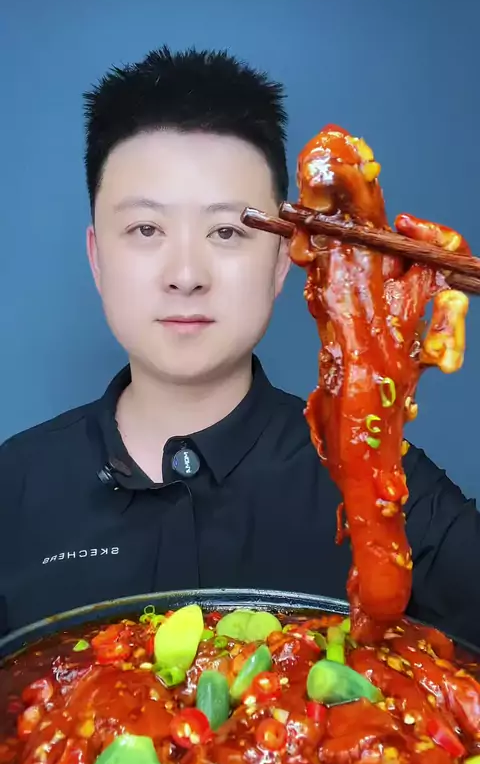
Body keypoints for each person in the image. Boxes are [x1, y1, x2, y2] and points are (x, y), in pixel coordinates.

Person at [1, 46, 479, 644]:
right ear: (97, 258)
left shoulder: (387, 485)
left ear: (282, 261)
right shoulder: (13, 489)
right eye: (146, 229)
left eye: (227, 231)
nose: (185, 275)